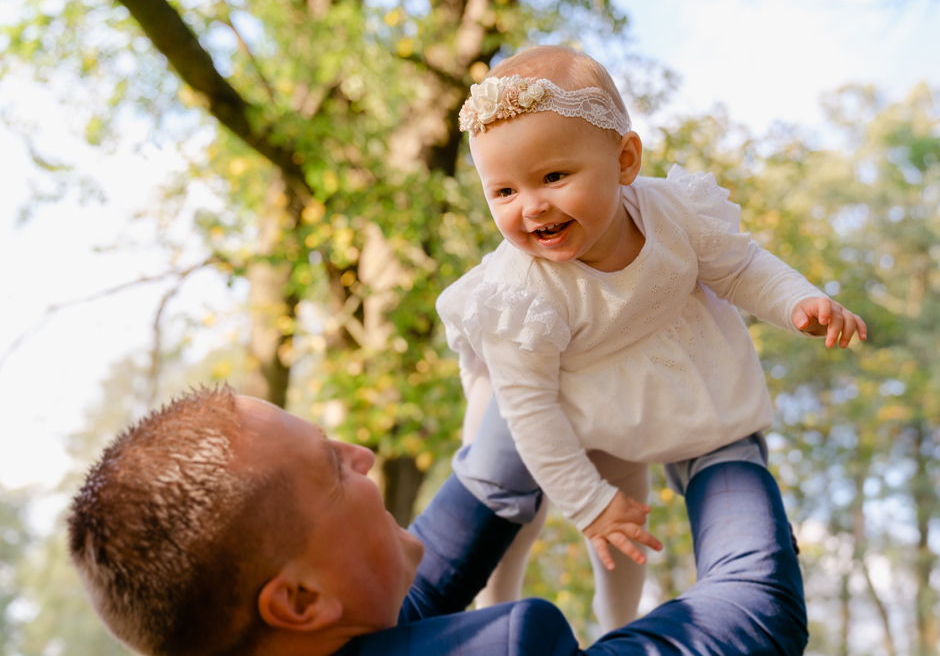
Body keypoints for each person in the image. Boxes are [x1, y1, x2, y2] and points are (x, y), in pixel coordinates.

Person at [437, 45, 868, 628]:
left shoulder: (675, 213)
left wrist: (798, 301)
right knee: (522, 506)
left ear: (625, 160)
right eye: (504, 192)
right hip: (557, 403)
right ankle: (496, 605)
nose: (531, 206)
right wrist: (587, 504)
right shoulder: (523, 290)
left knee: (626, 527)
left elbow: (740, 267)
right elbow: (529, 408)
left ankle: (617, 624)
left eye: (554, 176)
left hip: (645, 392)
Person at [67, 385, 808, 655]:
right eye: (332, 465)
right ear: (297, 598)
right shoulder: (514, 650)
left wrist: (535, 364)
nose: (362, 453)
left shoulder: (296, 635)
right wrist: (718, 436)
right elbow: (754, 611)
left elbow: (406, 602)